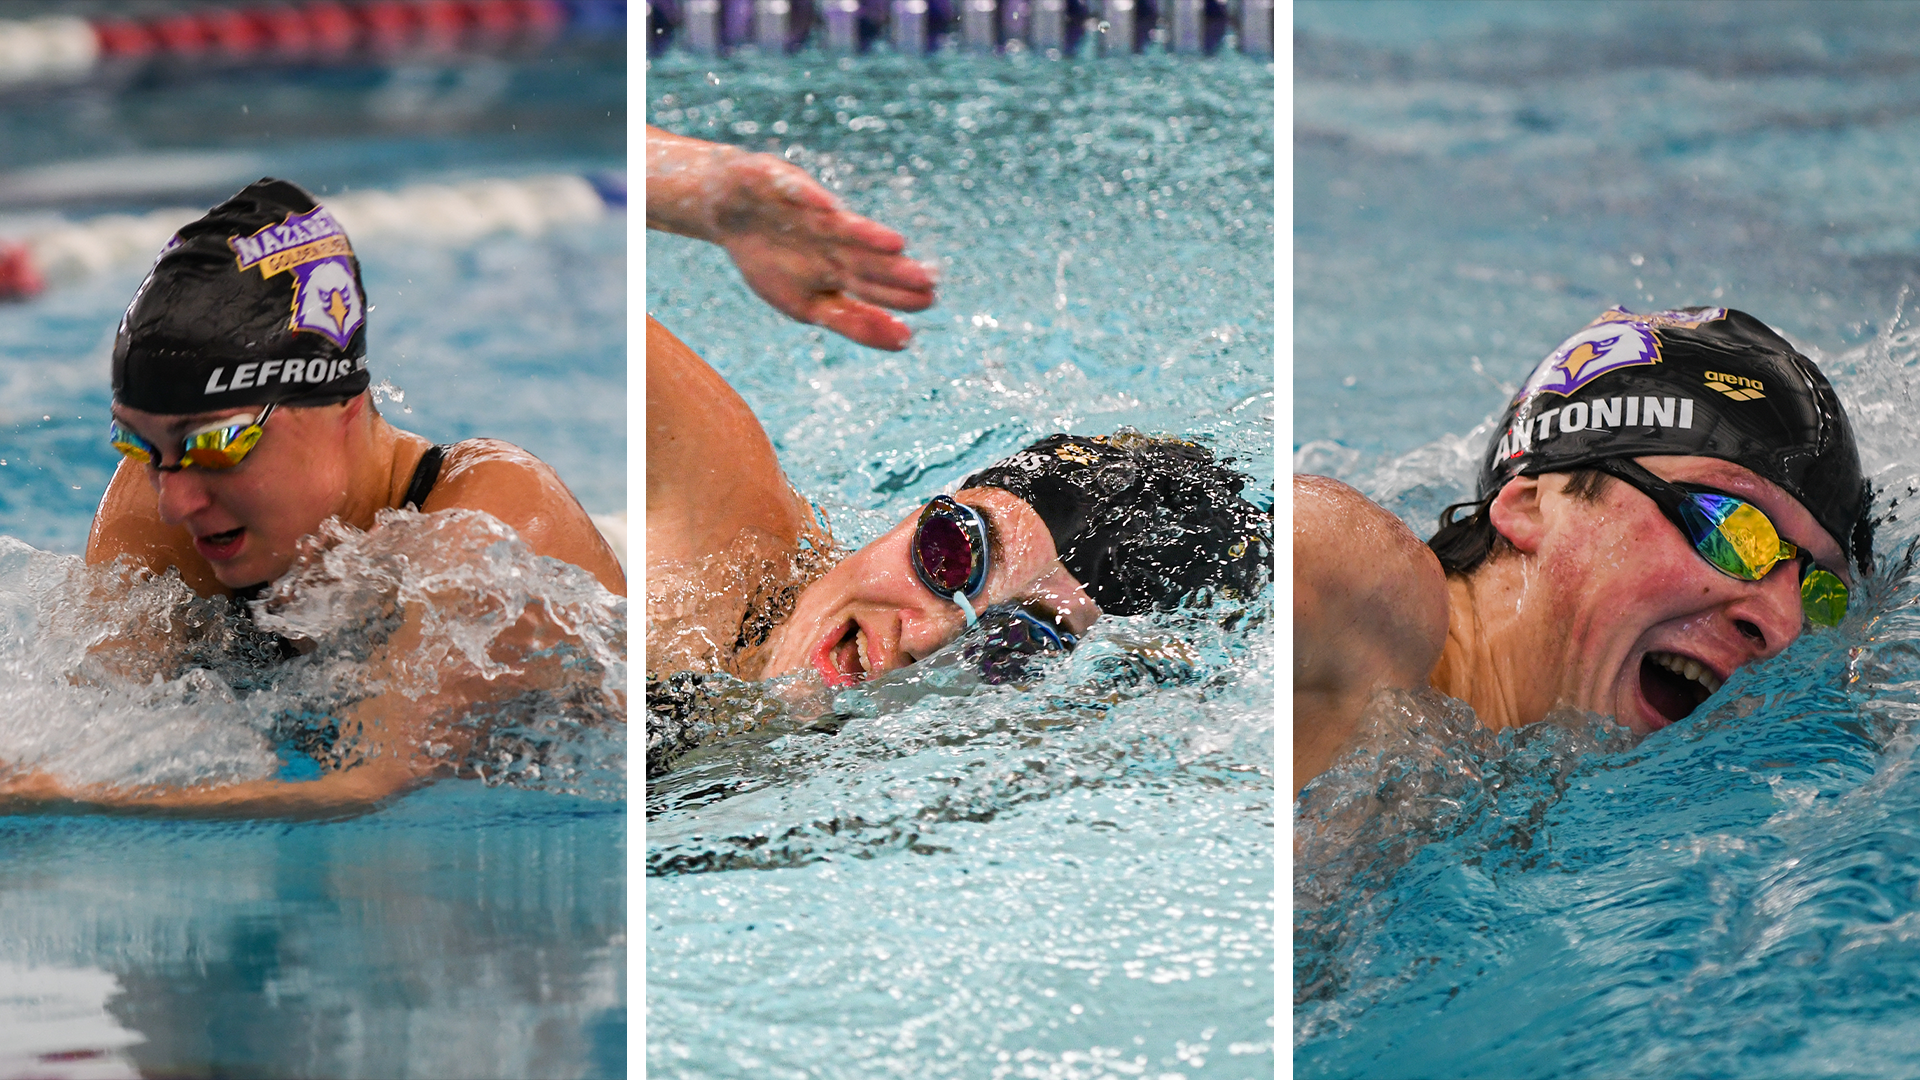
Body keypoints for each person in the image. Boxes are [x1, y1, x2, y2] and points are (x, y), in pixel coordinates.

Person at [1, 178, 625, 812]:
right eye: (138, 444)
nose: (173, 502)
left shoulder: (484, 528)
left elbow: (362, 787)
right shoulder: (158, 503)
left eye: (218, 445)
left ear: (342, 407)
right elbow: (94, 726)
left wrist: (57, 798)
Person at [646, 130, 1271, 734]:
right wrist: (706, 191)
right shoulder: (713, 536)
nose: (926, 638)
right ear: (924, 508)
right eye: (950, 554)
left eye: (1019, 644)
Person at [1295, 306, 1871, 796]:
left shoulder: (1530, 793)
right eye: (1731, 528)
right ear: (1532, 503)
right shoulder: (1377, 611)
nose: (1784, 624)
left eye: (1819, 591)